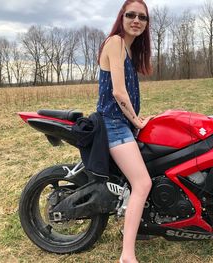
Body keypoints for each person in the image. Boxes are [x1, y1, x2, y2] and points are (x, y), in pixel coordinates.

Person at [96, 1, 153, 262]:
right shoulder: (116, 43)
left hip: (123, 123)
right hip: (114, 124)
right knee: (142, 183)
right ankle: (127, 255)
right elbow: (118, 92)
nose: (136, 20)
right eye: (131, 15)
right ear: (122, 17)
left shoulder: (129, 50)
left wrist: (138, 119)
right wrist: (137, 122)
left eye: (142, 17)